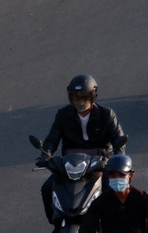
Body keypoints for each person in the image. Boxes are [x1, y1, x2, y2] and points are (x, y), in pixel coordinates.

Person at [37, 75, 128, 224]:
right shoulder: (62, 115)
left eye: (84, 97)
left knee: (114, 190)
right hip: (69, 166)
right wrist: (45, 156)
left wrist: (116, 160)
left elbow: (119, 141)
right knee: (47, 188)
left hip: (98, 165)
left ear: (93, 96)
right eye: (76, 97)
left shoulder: (107, 114)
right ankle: (57, 221)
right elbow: (51, 140)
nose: (80, 101)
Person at [78, 153, 148, 233]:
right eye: (113, 175)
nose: (117, 178)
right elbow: (86, 227)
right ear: (107, 177)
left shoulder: (145, 199)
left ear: (131, 175)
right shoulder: (101, 202)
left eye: (122, 175)